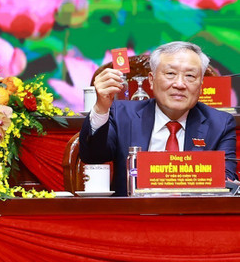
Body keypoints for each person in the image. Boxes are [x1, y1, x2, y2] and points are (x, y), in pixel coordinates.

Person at [79, 41, 237, 196]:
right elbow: (93, 156)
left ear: (201, 85)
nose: (180, 84)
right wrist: (101, 107)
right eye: (170, 74)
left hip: (190, 217)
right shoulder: (122, 114)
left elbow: (226, 182)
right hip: (132, 217)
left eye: (190, 76)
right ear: (151, 80)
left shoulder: (219, 124)